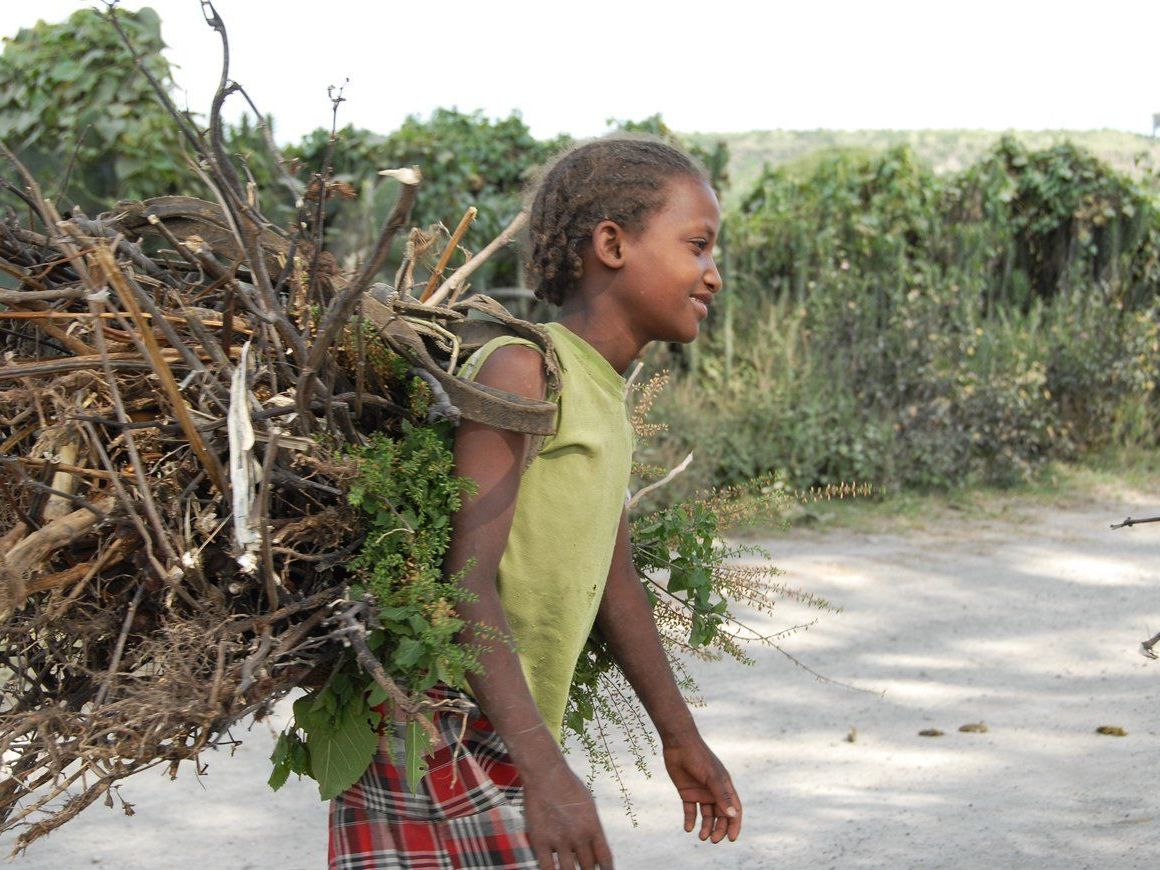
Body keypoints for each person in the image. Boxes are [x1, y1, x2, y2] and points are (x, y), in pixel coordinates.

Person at [329, 136, 741, 869]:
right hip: (438, 731)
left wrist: (680, 736)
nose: (713, 275)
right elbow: (465, 582)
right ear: (611, 244)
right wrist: (545, 771)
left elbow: (613, 579)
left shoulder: (604, 392)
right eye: (698, 245)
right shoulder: (524, 371)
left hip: (503, 733)